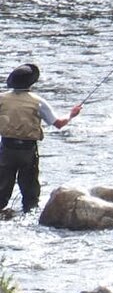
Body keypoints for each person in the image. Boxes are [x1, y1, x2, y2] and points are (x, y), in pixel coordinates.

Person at [0, 63, 82, 213]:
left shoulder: (2, 99)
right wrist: (72, 114)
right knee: (30, 190)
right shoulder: (37, 101)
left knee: (2, 187)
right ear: (32, 82)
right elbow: (58, 123)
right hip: (28, 150)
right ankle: (29, 217)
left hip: (6, 148)